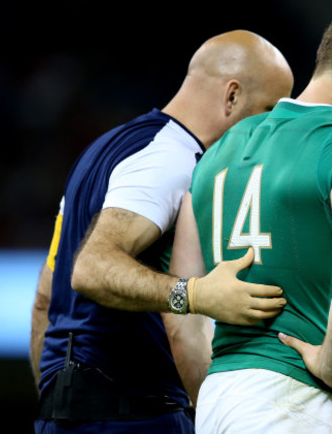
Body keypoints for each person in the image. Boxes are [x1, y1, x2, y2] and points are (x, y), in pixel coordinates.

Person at [168, 0, 332, 434]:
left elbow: (182, 313)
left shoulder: (218, 153)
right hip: (294, 400)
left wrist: (219, 397)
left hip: (218, 400)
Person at [29, 30, 294, 434]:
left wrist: (58, 405)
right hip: (136, 415)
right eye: (267, 111)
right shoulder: (174, 160)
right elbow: (92, 268)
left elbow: (46, 300)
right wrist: (194, 294)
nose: (266, 132)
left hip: (64, 416)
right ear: (232, 96)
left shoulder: (102, 153)